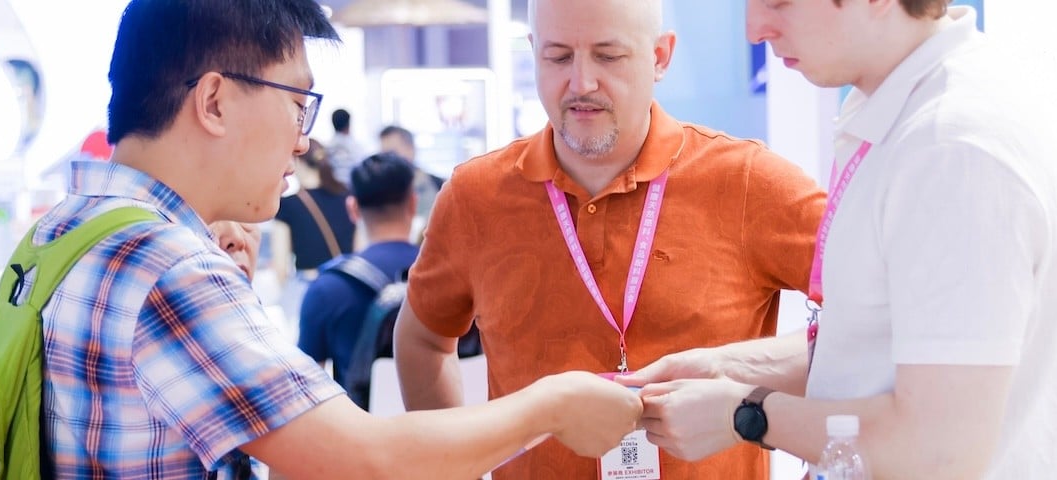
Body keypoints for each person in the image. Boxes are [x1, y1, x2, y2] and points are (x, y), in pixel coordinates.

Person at [36, 0, 643, 478]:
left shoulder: (66, 228)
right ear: (215, 101)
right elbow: (371, 461)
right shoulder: (170, 268)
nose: (303, 140)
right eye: (298, 105)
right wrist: (555, 405)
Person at [618, 2, 1057, 479]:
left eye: (779, 1)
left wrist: (746, 413)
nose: (755, 29)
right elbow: (884, 348)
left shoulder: (950, 149)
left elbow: (938, 451)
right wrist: (726, 369)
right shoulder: (896, 113)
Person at [393, 0, 826, 478]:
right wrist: (456, 467)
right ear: (533, 53)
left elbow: (879, 325)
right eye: (558, 57)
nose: (581, 84)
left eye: (608, 56)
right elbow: (423, 340)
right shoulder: (477, 196)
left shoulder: (748, 182)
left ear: (660, 56)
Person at [296, 153, 421, 395]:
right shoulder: (451, 273)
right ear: (413, 204)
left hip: (363, 429)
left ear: (352, 209)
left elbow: (306, 390)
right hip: (450, 426)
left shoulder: (327, 288)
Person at [272, 137, 355, 337]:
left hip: (306, 288)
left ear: (297, 160)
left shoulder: (288, 205)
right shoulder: (347, 197)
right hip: (345, 288)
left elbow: (280, 266)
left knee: (307, 360)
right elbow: (358, 249)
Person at [326, 108, 364, 187]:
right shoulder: (356, 147)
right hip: (353, 188)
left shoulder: (328, 147)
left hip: (333, 190)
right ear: (349, 123)